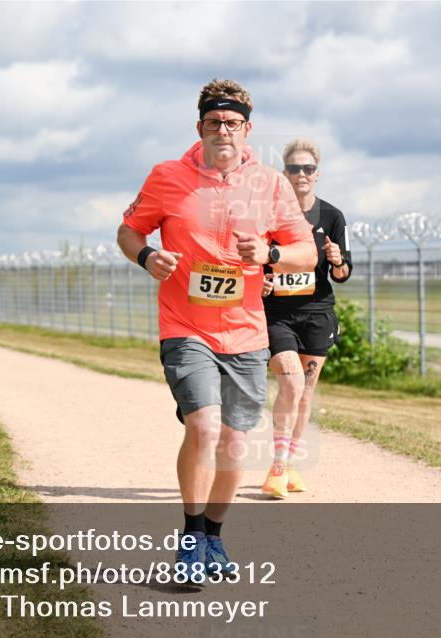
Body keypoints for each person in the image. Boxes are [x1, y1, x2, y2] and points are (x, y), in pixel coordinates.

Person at [116, 79, 316, 582]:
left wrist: (270, 254)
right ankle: (188, 541)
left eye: (232, 123)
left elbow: (306, 254)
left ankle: (213, 539)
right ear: (199, 126)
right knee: (202, 426)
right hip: (185, 326)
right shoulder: (167, 176)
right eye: (213, 122)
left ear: (247, 130)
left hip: (247, 332)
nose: (222, 130)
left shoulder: (271, 183)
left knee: (232, 441)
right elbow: (128, 230)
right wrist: (146, 255)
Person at [260, 139, 353, 498]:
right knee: (292, 383)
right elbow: (255, 263)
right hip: (277, 315)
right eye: (295, 168)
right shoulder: (270, 216)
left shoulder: (332, 216)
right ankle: (278, 466)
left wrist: (335, 259)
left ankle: (289, 464)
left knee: (306, 392)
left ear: (317, 174)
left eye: (308, 169)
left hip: (317, 313)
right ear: (284, 174)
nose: (302, 174)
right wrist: (262, 282)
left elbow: (343, 274)